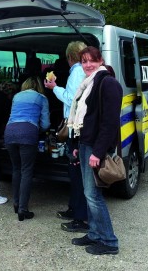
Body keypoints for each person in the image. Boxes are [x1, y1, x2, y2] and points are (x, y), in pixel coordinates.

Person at [68, 46, 122, 255]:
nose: (88, 65)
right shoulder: (88, 84)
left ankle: (109, 241)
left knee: (93, 195)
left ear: (100, 61)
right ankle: (94, 234)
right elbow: (85, 120)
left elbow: (109, 123)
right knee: (88, 192)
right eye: (84, 61)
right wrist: (77, 145)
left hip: (95, 147)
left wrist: (97, 152)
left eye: (92, 60)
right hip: (85, 144)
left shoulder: (108, 83)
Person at [44, 41, 88, 233]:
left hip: (75, 129)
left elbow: (71, 99)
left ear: (70, 57)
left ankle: (80, 217)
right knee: (74, 173)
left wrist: (54, 87)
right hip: (78, 127)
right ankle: (74, 209)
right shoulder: (83, 72)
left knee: (77, 175)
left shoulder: (76, 72)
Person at [4, 76, 50, 221]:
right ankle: (23, 209)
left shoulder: (16, 96)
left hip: (10, 131)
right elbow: (46, 123)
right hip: (28, 132)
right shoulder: (41, 98)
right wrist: (39, 129)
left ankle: (16, 203)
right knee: (26, 170)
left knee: (16, 168)